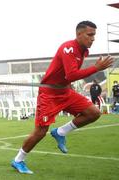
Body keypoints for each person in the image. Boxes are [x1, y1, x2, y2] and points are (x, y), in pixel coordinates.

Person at [11, 21, 114, 174]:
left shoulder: (83, 51)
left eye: (94, 35)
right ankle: (18, 160)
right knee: (40, 131)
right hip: (49, 94)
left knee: (94, 113)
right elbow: (71, 74)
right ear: (79, 34)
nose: (93, 38)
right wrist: (96, 68)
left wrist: (69, 85)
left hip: (65, 92)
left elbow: (67, 75)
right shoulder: (68, 48)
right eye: (90, 35)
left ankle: (60, 132)